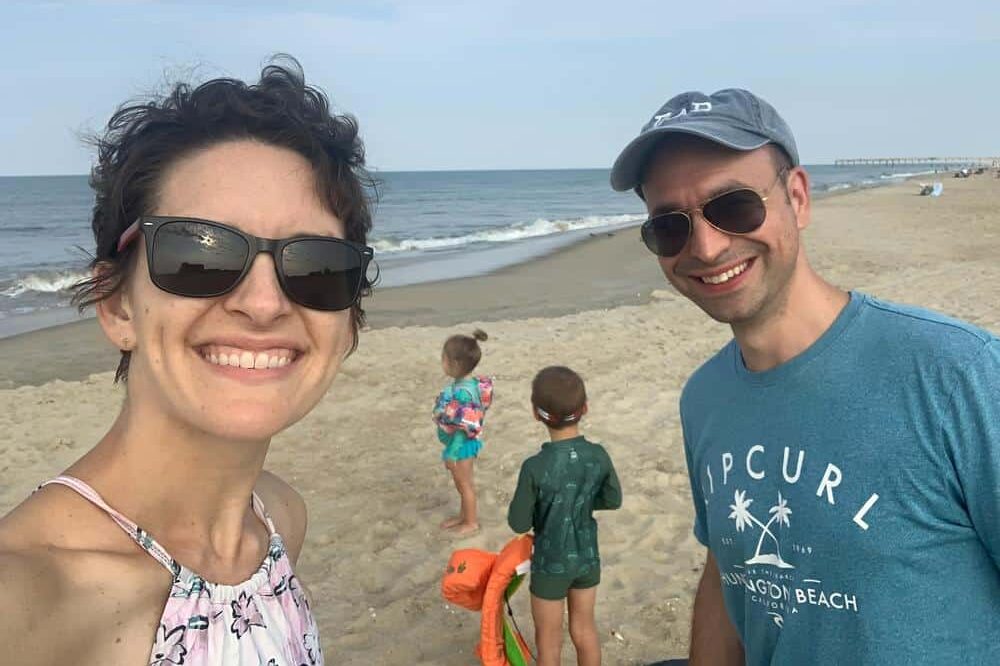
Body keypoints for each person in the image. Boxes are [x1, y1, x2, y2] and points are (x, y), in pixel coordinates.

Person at [0, 57, 375, 665]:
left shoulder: (278, 519)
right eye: (199, 255)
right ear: (117, 304)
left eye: (316, 266)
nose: (263, 304)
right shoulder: (30, 599)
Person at [610, 88, 1000, 664]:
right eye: (670, 226)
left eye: (734, 206)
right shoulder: (704, 399)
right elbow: (727, 567)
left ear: (797, 197)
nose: (707, 247)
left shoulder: (958, 374)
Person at [508, 366, 622, 666]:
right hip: (587, 557)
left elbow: (518, 522)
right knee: (584, 630)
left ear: (536, 413)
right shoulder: (598, 455)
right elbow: (614, 499)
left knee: (549, 639)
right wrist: (581, 501)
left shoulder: (535, 466)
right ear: (585, 408)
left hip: (550, 562)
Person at [433, 329, 493, 535]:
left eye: (444, 358)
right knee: (461, 483)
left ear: (455, 363)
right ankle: (463, 516)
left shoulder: (463, 393)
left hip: (462, 446)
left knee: (464, 484)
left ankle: (471, 522)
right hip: (461, 444)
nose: (441, 362)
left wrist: (451, 453)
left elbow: (462, 427)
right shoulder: (466, 384)